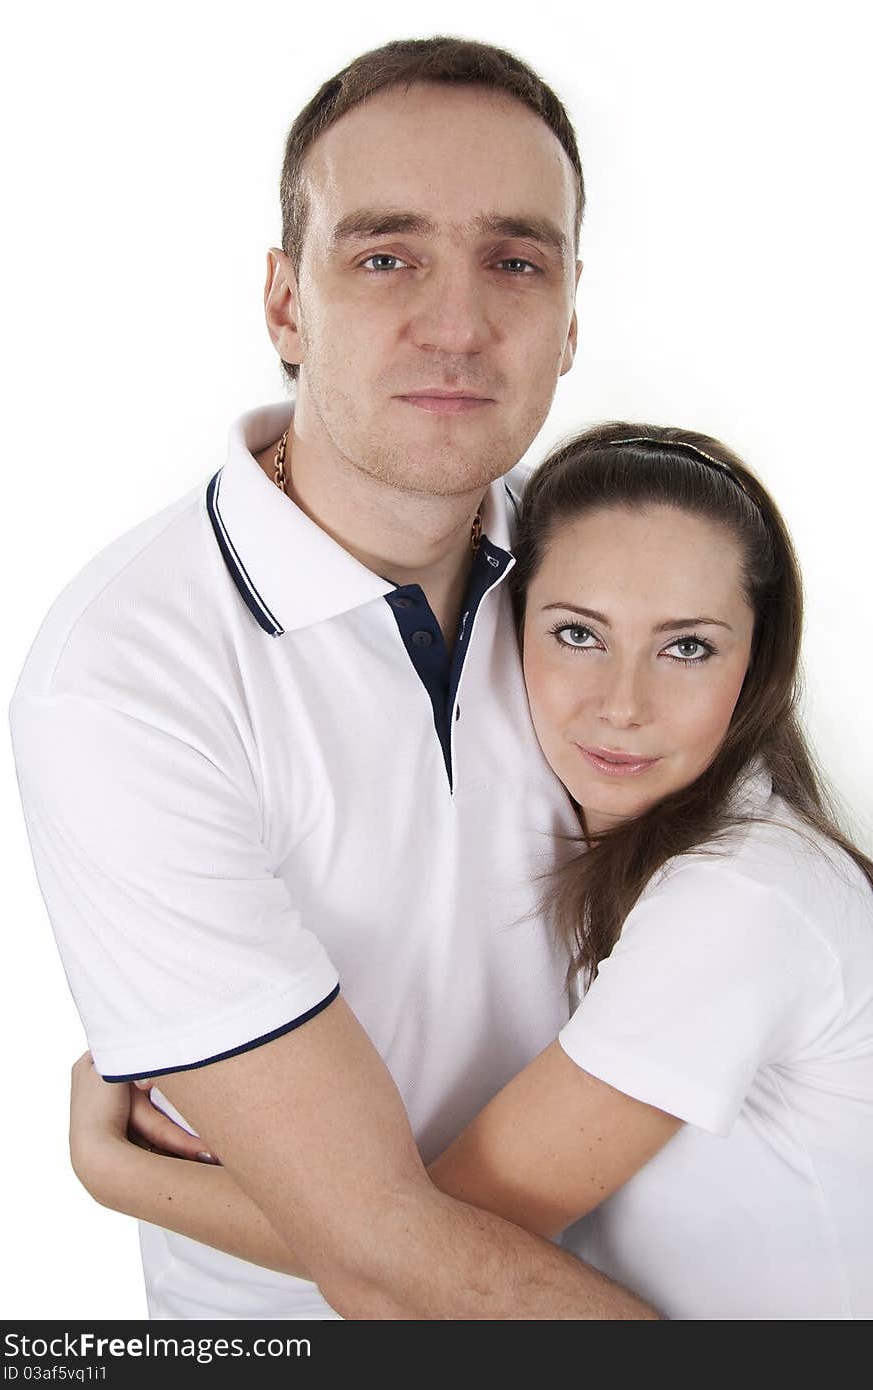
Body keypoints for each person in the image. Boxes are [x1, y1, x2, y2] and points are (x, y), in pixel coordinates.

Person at [9, 37, 663, 1320]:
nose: (460, 323)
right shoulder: (128, 680)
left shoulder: (620, 586)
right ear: (283, 303)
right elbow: (372, 1256)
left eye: (515, 261)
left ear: (572, 310)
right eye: (384, 256)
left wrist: (129, 1175)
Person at [70, 423, 873, 1319]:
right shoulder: (633, 861)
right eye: (578, 634)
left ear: (759, 661)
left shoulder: (742, 897)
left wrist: (120, 1176)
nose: (622, 704)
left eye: (687, 647)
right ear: (510, 629)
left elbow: (425, 1252)